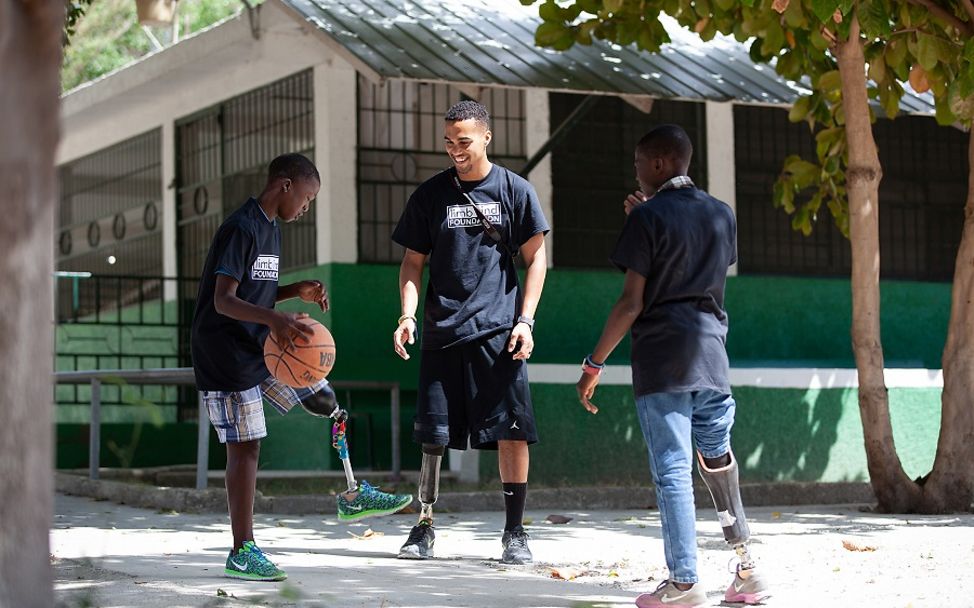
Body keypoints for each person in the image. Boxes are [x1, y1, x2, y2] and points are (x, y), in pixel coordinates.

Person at [191, 153, 412, 582]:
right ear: (285, 186)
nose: (307, 208)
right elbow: (223, 299)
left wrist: (295, 291)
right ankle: (242, 550)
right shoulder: (242, 227)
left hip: (258, 344)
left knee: (323, 395)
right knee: (246, 445)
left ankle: (351, 493)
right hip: (224, 352)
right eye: (307, 199)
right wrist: (276, 318)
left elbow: (256, 290)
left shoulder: (271, 228)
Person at [575, 125, 770, 607]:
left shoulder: (647, 218)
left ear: (659, 164)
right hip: (711, 358)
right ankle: (748, 570)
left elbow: (630, 302)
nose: (636, 173)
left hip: (664, 359)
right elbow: (689, 261)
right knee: (718, 462)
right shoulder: (721, 214)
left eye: (640, 164)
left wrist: (593, 362)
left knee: (672, 470)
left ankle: (684, 583)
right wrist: (650, 215)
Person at [391, 100, 549, 565]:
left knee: (512, 433)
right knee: (433, 436)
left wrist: (526, 320)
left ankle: (515, 533)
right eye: (448, 142)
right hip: (442, 331)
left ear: (486, 137)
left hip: (500, 332)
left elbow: (535, 258)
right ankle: (423, 526)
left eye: (463, 141)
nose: (455, 150)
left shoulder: (515, 191)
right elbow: (412, 263)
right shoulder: (429, 195)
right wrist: (406, 317)